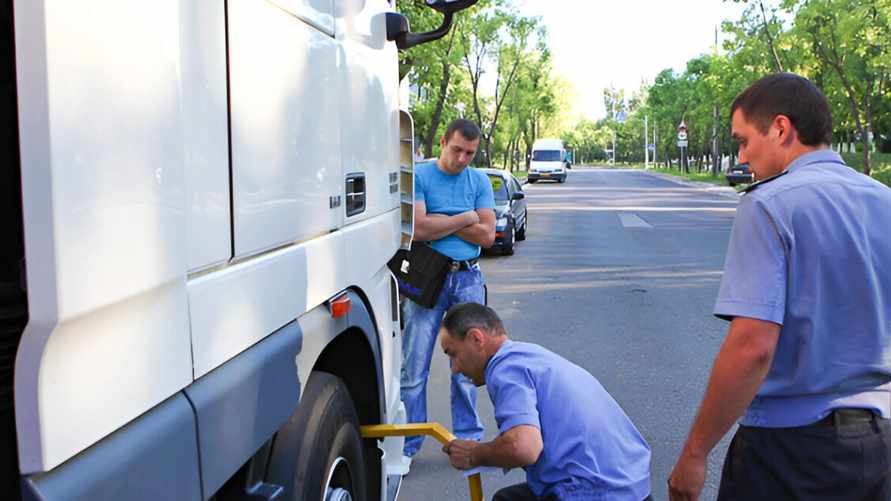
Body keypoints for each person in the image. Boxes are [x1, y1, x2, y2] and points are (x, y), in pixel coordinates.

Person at [668, 73, 891, 501]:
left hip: (792, 452)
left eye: (743, 140)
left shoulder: (769, 203)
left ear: (781, 129)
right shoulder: (883, 199)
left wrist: (695, 453)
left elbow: (753, 346)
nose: (742, 155)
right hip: (879, 445)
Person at [439, 303, 653, 501]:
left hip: (596, 492)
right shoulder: (529, 356)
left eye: (453, 354)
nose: (454, 368)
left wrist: (474, 454)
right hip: (633, 485)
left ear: (476, 338)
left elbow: (523, 447)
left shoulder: (505, 370)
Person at [400, 119, 496, 461]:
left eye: (469, 153)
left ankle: (467, 440)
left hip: (467, 278)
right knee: (414, 366)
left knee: (470, 366)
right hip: (428, 277)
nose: (462, 159)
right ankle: (408, 446)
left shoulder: (479, 180)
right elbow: (420, 229)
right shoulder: (421, 176)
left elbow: (487, 237)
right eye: (456, 150)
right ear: (443, 142)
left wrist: (445, 220)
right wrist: (466, 217)